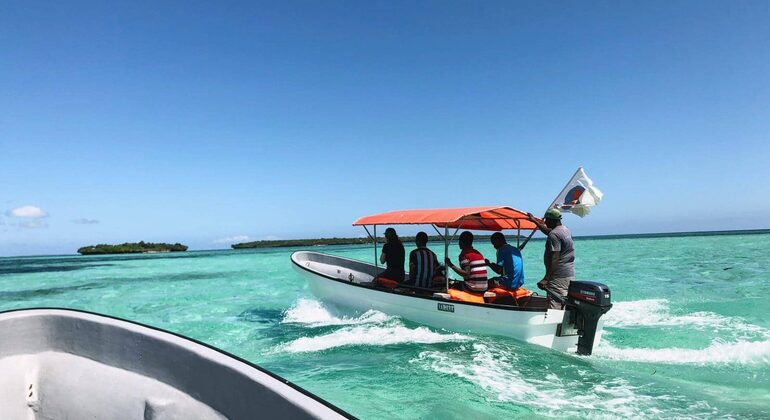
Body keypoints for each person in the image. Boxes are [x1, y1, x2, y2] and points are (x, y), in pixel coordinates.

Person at [528, 208, 574, 309]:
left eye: (547, 220)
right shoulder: (565, 230)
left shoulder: (554, 235)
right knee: (563, 301)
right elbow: (549, 232)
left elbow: (555, 257)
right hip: (568, 274)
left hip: (558, 275)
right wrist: (535, 221)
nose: (545, 222)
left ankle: (557, 325)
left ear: (553, 220)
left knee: (555, 305)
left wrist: (546, 278)